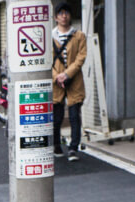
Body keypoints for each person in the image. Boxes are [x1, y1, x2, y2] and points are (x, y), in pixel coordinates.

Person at [51, 2, 87, 162]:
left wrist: (66, 74)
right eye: (60, 13)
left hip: (74, 80)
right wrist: (56, 77)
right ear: (55, 17)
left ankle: (73, 148)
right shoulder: (50, 37)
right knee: (57, 117)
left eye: (66, 13)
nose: (64, 16)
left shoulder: (79, 36)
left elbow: (81, 57)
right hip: (56, 82)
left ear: (70, 16)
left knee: (74, 116)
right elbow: (46, 61)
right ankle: (57, 145)